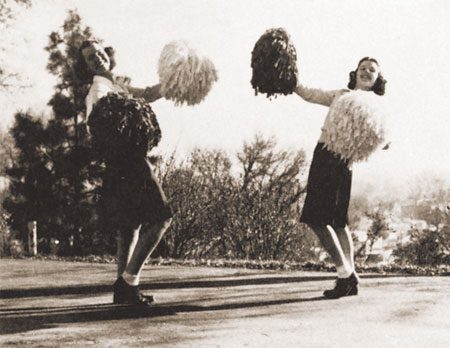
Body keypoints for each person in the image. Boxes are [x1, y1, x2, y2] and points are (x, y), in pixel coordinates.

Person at [75, 40, 173, 306]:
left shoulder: (115, 83)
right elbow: (98, 127)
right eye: (89, 58)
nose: (96, 58)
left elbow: (150, 93)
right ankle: (129, 281)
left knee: (130, 226)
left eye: (98, 53)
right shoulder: (98, 89)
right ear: (85, 67)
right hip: (127, 161)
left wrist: (175, 80)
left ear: (107, 54)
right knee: (162, 217)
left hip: (121, 163)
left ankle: (123, 291)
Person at [295, 57, 388, 299]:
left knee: (317, 218)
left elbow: (383, 136)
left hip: (338, 162)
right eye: (363, 68)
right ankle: (350, 275)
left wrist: (381, 141)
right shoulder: (340, 95)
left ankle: (344, 274)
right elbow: (310, 94)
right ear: (355, 73)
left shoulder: (375, 106)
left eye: (372, 70)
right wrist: (291, 80)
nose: (366, 72)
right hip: (329, 158)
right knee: (337, 222)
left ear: (378, 78)